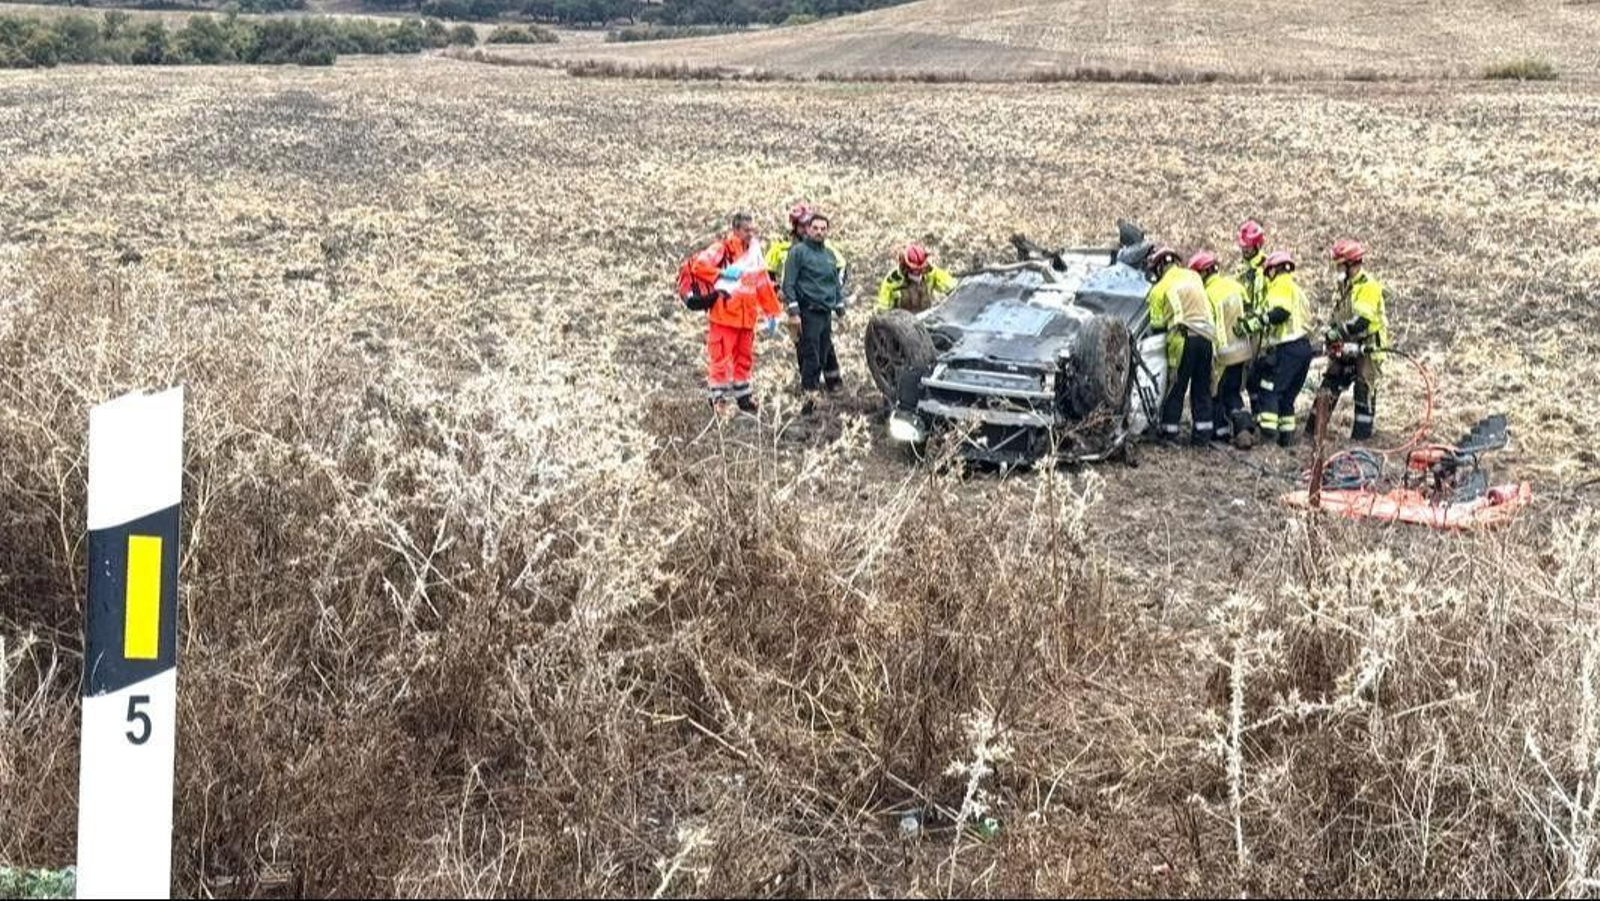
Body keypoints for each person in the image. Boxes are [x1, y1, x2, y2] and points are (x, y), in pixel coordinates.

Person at [687, 211, 781, 414]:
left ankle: (743, 396)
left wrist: (772, 311)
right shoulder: (722, 249)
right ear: (735, 230)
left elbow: (763, 283)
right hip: (724, 315)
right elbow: (699, 266)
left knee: (744, 358)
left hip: (747, 317)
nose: (751, 233)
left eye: (752, 229)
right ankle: (717, 398)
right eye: (747, 230)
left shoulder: (755, 253)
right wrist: (722, 273)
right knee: (720, 358)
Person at [1306, 239, 1390, 440]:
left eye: (1340, 264)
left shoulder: (1368, 286)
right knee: (1330, 382)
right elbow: (1340, 313)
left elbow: (1361, 320)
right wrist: (1332, 332)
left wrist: (1338, 332)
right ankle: (1313, 431)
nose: (1337, 268)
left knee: (1364, 389)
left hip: (1367, 346)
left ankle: (1361, 438)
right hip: (1345, 343)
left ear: (1351, 264)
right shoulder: (1344, 285)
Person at [1235, 251, 1312, 447]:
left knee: (1269, 390)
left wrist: (1254, 324)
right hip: (1303, 347)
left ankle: (1268, 437)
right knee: (1286, 397)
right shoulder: (1297, 290)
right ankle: (1286, 439)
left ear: (1272, 271)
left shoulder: (1280, 284)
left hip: (1288, 346)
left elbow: (1280, 312)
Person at [1145, 245, 1216, 445]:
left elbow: (1157, 326)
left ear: (1159, 268)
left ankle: (1169, 432)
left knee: (1175, 387)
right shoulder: (1194, 277)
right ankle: (1203, 436)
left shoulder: (1158, 289)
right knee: (1202, 389)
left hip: (1183, 340)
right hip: (1206, 338)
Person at [781, 214, 847, 412]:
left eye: (823, 228)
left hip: (825, 313)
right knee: (811, 356)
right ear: (808, 229)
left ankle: (822, 388)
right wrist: (793, 311)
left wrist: (839, 306)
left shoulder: (829, 255)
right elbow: (789, 282)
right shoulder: (798, 252)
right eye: (815, 228)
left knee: (825, 350)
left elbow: (834, 283)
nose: (819, 232)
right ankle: (808, 399)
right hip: (807, 312)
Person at [1189, 250, 1254, 447]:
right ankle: (1243, 429)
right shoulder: (1236, 286)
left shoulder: (1207, 294)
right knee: (1233, 393)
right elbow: (1249, 311)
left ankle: (1221, 434)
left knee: (1215, 393)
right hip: (1243, 350)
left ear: (1202, 273)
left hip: (1223, 353)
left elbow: (1210, 326)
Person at [877, 243, 957, 313]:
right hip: (902, 325)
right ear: (906, 267)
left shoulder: (931, 271)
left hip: (925, 318)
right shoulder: (891, 282)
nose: (921, 273)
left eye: (922, 269)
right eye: (916, 270)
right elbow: (883, 311)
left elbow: (953, 287)